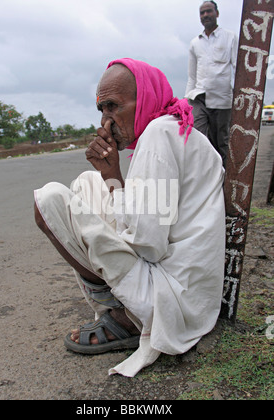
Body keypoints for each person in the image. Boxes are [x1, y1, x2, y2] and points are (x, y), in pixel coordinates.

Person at [34, 58, 226, 377]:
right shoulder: (171, 127)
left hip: (172, 303)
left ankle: (126, 315)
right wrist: (111, 178)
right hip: (190, 292)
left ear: (145, 100)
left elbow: (149, 246)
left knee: (49, 202)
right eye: (101, 110)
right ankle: (127, 305)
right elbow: (152, 220)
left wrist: (113, 175)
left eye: (113, 107)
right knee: (88, 181)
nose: (106, 121)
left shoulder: (158, 136)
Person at [185, 1, 238, 167]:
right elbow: (192, 76)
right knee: (198, 140)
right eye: (202, 13)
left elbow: (237, 68)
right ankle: (204, 178)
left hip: (222, 100)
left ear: (217, 13)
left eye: (209, 11)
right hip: (198, 98)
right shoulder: (195, 43)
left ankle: (223, 183)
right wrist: (186, 103)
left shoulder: (230, 37)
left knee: (221, 142)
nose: (205, 15)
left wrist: (238, 97)